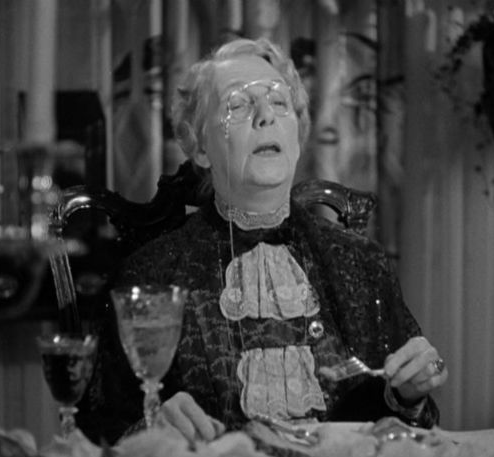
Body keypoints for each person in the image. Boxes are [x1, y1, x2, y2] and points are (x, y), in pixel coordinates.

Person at [76, 37, 448, 445]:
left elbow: (408, 427)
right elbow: (99, 428)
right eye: (237, 105)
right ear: (200, 147)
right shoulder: (152, 273)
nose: (265, 117)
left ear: (298, 135)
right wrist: (153, 424)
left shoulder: (361, 263)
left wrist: (409, 395)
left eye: (279, 103)